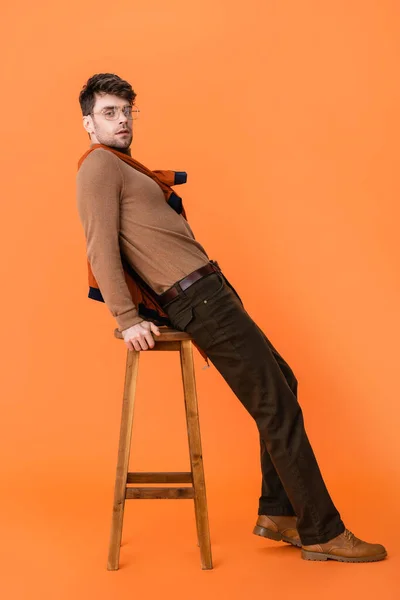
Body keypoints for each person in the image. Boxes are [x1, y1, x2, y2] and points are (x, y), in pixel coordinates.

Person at [76, 72, 387, 563]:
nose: (121, 120)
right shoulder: (98, 167)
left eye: (126, 111)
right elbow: (100, 246)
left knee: (282, 382)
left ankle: (280, 513)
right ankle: (323, 532)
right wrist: (124, 316)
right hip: (197, 299)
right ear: (88, 123)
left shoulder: (125, 166)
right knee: (276, 405)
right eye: (109, 113)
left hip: (210, 291)